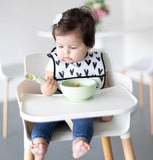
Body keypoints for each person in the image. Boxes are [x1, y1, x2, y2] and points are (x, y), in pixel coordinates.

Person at [30, 7, 112, 160]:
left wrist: (107, 111)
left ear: (89, 44)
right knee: (43, 122)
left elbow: (105, 88)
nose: (64, 53)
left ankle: (79, 142)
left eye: (72, 47)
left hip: (84, 108)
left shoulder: (97, 61)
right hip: (56, 108)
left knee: (84, 120)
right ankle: (40, 143)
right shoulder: (54, 62)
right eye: (60, 46)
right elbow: (46, 87)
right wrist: (47, 89)